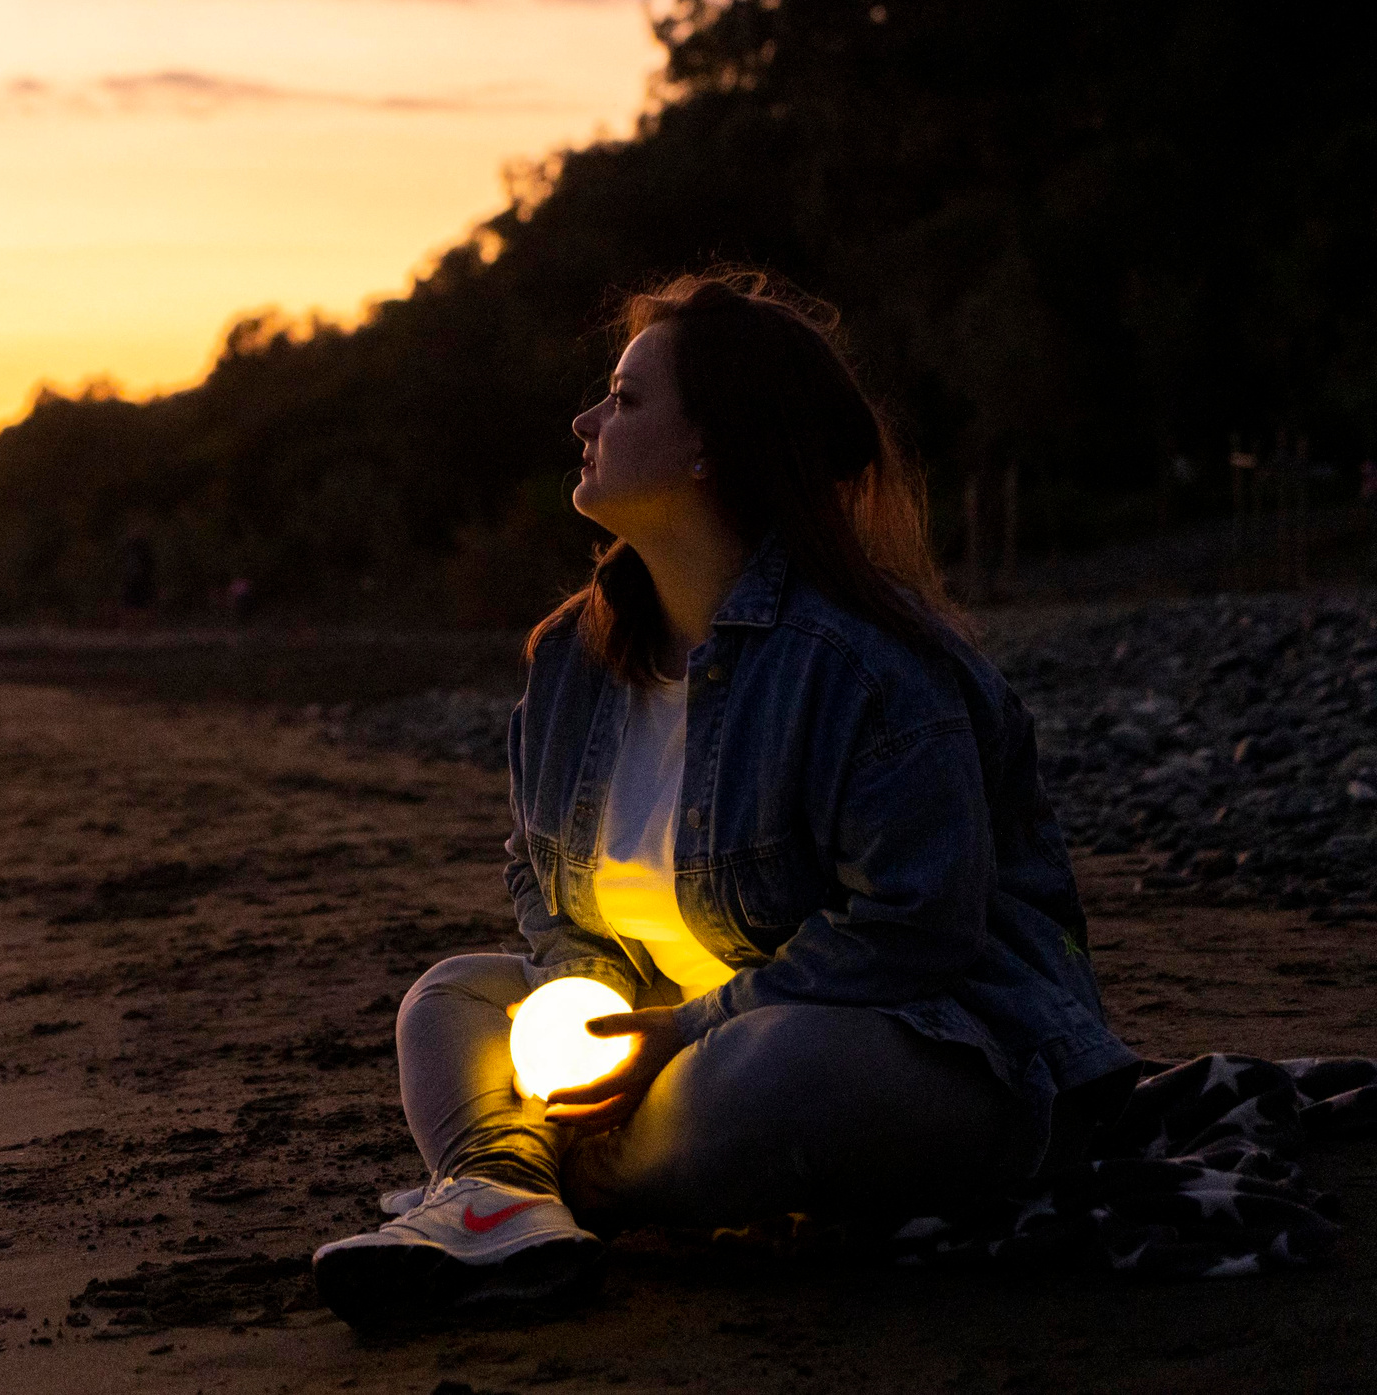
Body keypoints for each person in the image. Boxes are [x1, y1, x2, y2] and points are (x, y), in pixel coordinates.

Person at [312, 273, 1139, 1328]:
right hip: (668, 1041)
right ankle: (520, 1202)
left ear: (713, 446)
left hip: (916, 1045)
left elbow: (915, 931)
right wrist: (588, 996)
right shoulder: (572, 654)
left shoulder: (865, 664)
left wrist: (686, 1033)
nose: (585, 419)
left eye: (624, 399)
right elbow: (540, 873)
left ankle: (509, 1186)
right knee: (451, 1002)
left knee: (773, 1074)